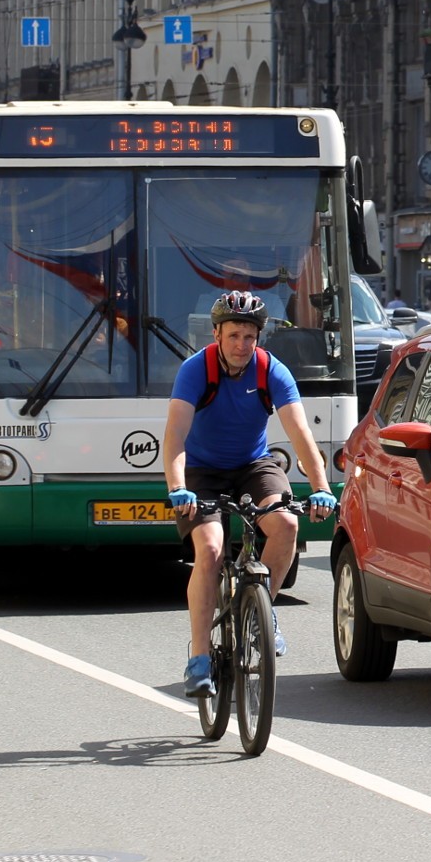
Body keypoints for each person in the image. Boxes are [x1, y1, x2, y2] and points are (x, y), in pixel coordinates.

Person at [163, 290, 336, 698]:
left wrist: (321, 488)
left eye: (249, 336)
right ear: (217, 334)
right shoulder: (195, 370)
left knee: (287, 524)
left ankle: (263, 613)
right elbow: (174, 438)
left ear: (259, 337)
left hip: (252, 464)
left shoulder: (270, 371)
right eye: (233, 336)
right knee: (209, 549)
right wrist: (178, 488)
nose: (241, 345)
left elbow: (300, 433)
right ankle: (200, 658)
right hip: (201, 471)